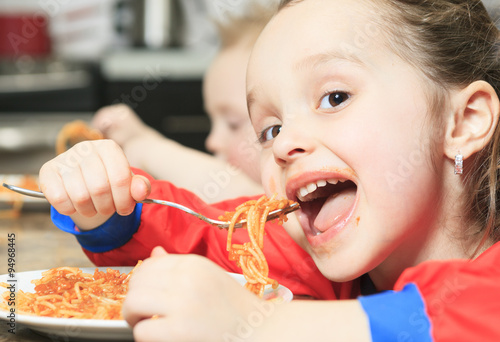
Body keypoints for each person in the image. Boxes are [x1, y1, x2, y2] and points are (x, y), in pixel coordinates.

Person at [38, 0, 500, 340]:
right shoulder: (315, 259)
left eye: (335, 98)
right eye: (269, 128)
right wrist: (109, 205)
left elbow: (467, 314)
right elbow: (204, 235)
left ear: (465, 121)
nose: (283, 144)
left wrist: (257, 326)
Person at [89, 3, 275, 203]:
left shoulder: (294, 209)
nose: (212, 141)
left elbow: (244, 197)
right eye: (211, 122)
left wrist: (145, 145)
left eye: (232, 123)